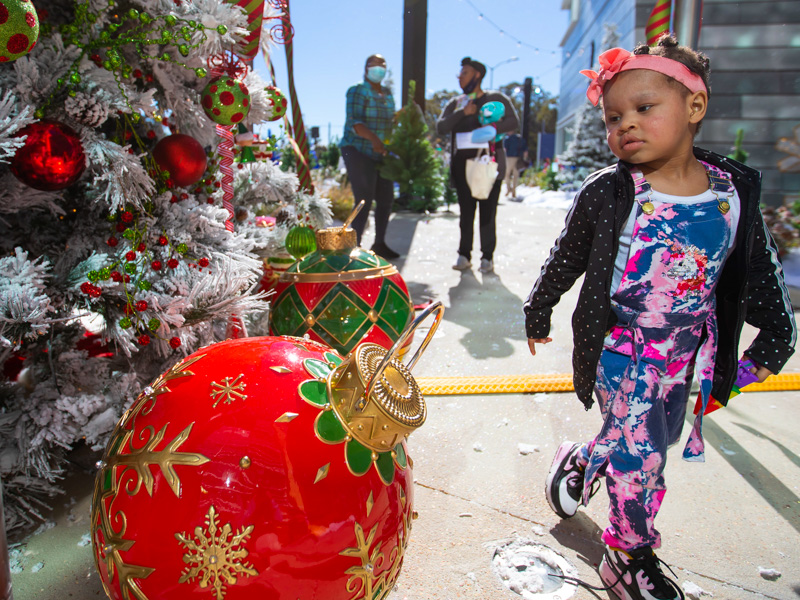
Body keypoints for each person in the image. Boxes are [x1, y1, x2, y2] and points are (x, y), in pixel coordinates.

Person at [523, 36, 796, 600]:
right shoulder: (611, 192)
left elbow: (757, 271)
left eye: (645, 108)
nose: (626, 125)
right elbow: (568, 254)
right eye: (614, 116)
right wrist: (540, 307)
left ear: (694, 108)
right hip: (622, 346)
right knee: (642, 455)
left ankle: (581, 459)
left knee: (652, 439)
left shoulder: (731, 195)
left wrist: (774, 340)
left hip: (687, 352)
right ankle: (627, 555)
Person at [437, 57, 519, 274]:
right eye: (459, 73)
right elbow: (441, 127)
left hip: (489, 163)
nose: (460, 77)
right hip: (462, 165)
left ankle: (487, 257)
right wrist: (463, 114)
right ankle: (464, 255)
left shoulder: (496, 99)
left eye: (464, 73)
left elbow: (514, 122)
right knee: (466, 212)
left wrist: (490, 125)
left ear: (477, 75)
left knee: (488, 211)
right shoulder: (456, 103)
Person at [340, 54, 399, 259]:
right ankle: (352, 247)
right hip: (357, 149)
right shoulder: (357, 90)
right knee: (364, 198)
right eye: (374, 65)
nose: (379, 68)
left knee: (386, 198)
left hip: (381, 151)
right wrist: (374, 139)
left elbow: (390, 121)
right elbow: (354, 122)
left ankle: (380, 243)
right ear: (366, 68)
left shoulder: (388, 93)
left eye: (382, 64)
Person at [502, 132, 527, 199]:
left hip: (509, 158)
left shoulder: (507, 139)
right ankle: (513, 191)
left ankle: (509, 188)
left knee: (507, 174)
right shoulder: (520, 138)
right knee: (516, 175)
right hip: (518, 158)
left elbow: (504, 149)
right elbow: (525, 150)